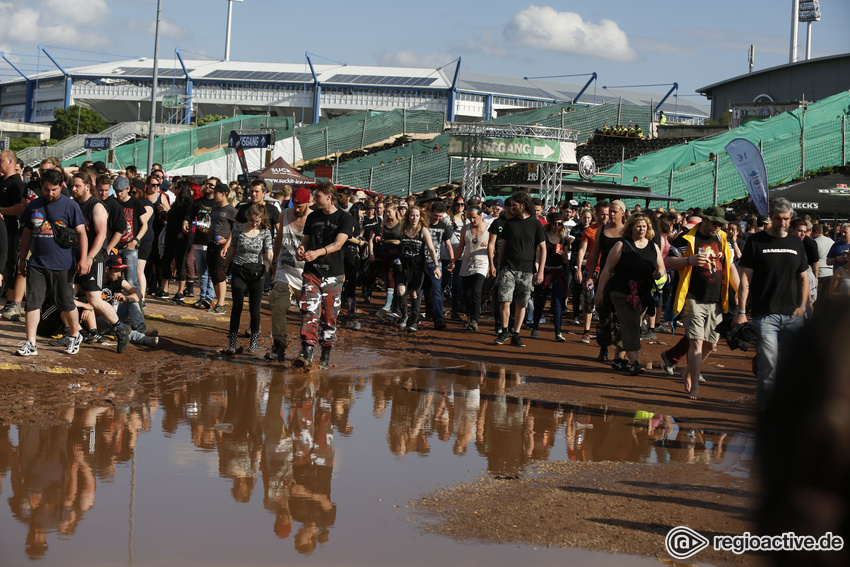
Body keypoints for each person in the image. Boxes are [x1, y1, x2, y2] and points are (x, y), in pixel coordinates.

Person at [734, 198, 808, 412]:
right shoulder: (755, 242)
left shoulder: (796, 243)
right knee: (769, 367)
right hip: (764, 314)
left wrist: (802, 307)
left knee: (794, 365)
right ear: (771, 217)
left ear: (790, 218)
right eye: (778, 218)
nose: (782, 223)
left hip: (793, 315)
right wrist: (740, 311)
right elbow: (745, 279)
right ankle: (767, 414)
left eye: (786, 219)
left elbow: (803, 278)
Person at [663, 206, 739, 399]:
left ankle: (688, 370)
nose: (717, 227)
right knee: (696, 342)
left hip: (716, 300)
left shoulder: (722, 239)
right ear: (704, 220)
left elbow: (730, 266)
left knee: (711, 345)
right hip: (692, 297)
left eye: (720, 224)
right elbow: (668, 262)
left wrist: (739, 291)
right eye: (715, 223)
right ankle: (695, 385)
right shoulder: (686, 238)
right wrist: (689, 260)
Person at [15, 168, 89, 356]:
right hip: (37, 263)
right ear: (42, 186)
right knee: (32, 302)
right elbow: (27, 233)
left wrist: (83, 258)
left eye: (54, 189)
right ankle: (30, 343)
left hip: (63, 264)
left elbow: (82, 233)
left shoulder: (70, 206)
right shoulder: (34, 205)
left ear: (61, 186)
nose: (50, 193)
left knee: (66, 302)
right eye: (47, 189)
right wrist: (22, 258)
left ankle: (75, 333)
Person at [294, 181, 355, 369]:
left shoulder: (345, 218)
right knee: (309, 311)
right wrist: (302, 249)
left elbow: (338, 244)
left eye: (317, 196)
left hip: (333, 275)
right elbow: (306, 240)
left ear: (329, 197)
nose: (314, 199)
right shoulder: (313, 216)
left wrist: (317, 252)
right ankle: (307, 352)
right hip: (311, 272)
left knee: (329, 316)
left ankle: (325, 355)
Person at [595, 213, 664, 375]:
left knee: (628, 325)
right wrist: (599, 292)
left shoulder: (653, 246)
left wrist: (659, 274)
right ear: (631, 227)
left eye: (644, 226)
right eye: (638, 226)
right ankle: (635, 362)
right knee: (632, 326)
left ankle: (618, 359)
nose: (641, 229)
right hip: (621, 292)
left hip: (643, 294)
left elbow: (661, 267)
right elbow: (607, 269)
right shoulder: (621, 245)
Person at [70, 171, 131, 353]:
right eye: (72, 185)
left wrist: (88, 258)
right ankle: (73, 333)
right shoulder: (74, 205)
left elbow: (102, 235)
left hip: (94, 258)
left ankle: (120, 328)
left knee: (94, 299)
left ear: (87, 186)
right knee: (66, 295)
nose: (73, 189)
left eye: (77, 186)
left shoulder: (96, 206)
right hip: (75, 256)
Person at [494, 192, 546, 348]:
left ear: (523, 205)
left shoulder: (536, 224)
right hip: (509, 267)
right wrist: (499, 265)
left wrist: (541, 270)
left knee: (522, 303)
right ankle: (504, 330)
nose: (511, 207)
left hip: (527, 269)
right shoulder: (510, 223)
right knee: (504, 299)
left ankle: (516, 334)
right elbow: (503, 245)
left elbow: (542, 248)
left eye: (514, 205)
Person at [267, 187, 311, 362]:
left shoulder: (313, 218)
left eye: (301, 205)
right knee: (277, 303)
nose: (297, 208)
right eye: (295, 204)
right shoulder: (284, 214)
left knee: (307, 312)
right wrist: (275, 261)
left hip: (306, 272)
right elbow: (279, 239)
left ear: (308, 203)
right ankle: (279, 345)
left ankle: (305, 349)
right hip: (285, 268)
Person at [222, 203, 273, 354]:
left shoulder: (265, 232)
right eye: (251, 220)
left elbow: (269, 253)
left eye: (257, 221)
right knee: (237, 305)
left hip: (257, 272)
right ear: (247, 217)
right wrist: (224, 267)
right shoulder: (238, 229)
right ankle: (232, 344)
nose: (254, 224)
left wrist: (274, 267)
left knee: (254, 308)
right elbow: (232, 249)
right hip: (239, 269)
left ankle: (254, 343)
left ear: (261, 219)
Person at [585, 200, 625, 361]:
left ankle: (619, 351)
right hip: (604, 276)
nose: (611, 214)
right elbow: (594, 255)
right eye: (610, 211)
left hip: (623, 278)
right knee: (604, 314)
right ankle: (603, 349)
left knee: (621, 317)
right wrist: (589, 276)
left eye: (615, 211)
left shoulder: (627, 232)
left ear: (623, 213)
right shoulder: (602, 230)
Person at [392, 206, 441, 333]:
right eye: (412, 215)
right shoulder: (403, 229)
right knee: (400, 291)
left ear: (421, 217)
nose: (414, 218)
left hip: (418, 266)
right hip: (403, 265)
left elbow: (431, 249)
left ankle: (414, 320)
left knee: (414, 293)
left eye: (417, 215)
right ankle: (404, 316)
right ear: (408, 216)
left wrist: (436, 266)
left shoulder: (423, 230)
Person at [530, 211, 570, 342]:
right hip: (544, 271)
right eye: (555, 224)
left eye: (559, 224)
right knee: (540, 301)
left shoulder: (563, 239)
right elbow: (537, 257)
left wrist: (565, 254)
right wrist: (536, 272)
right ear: (550, 224)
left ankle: (558, 333)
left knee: (557, 303)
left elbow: (565, 261)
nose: (557, 226)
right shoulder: (543, 237)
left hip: (558, 272)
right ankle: (535, 327)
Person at [183, 179, 217, 309]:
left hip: (212, 242)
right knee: (201, 272)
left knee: (209, 271)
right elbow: (189, 214)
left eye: (211, 185)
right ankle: (202, 297)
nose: (207, 186)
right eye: (207, 184)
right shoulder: (198, 202)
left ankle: (209, 297)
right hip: (198, 240)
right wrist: (185, 222)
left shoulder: (217, 204)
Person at [455, 205, 489, 331]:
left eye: (474, 217)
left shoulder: (488, 229)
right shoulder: (466, 228)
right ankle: (469, 316)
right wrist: (453, 260)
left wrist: (489, 247)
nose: (472, 220)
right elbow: (461, 246)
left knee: (476, 291)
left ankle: (475, 319)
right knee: (467, 293)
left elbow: (494, 247)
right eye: (469, 218)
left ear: (480, 215)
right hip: (467, 263)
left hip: (482, 263)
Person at [114, 176, 151, 295]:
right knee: (115, 281)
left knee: (131, 282)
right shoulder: (113, 202)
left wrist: (135, 241)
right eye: (116, 191)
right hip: (115, 247)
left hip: (130, 247)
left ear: (128, 189)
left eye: (121, 190)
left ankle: (136, 310)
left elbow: (144, 225)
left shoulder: (136, 203)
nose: (119, 193)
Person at [160, 180, 194, 301]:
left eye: (175, 187)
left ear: (180, 189)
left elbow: (189, 219)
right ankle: (165, 289)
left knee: (180, 263)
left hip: (182, 238)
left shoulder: (189, 203)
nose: (173, 189)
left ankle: (180, 291)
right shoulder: (176, 203)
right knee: (165, 261)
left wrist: (183, 232)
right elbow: (171, 217)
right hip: (170, 236)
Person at [206, 182, 238, 314]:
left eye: (216, 193)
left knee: (220, 273)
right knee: (213, 273)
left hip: (223, 247)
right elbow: (213, 226)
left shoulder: (232, 210)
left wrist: (227, 243)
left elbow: (236, 228)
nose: (213, 195)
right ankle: (218, 302)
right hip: (212, 243)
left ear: (223, 194)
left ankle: (221, 304)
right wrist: (205, 230)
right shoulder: (214, 208)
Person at [425, 201, 453, 330]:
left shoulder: (443, 226)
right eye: (435, 215)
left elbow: (448, 244)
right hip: (421, 262)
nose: (437, 218)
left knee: (437, 290)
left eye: (440, 216)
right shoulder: (423, 224)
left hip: (435, 263)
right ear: (430, 212)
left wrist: (452, 260)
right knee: (419, 290)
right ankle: (414, 317)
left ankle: (438, 319)